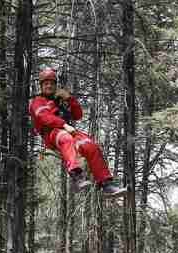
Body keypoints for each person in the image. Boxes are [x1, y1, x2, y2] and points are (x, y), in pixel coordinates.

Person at [29, 67, 126, 196]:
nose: (49, 86)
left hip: (67, 130)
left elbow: (78, 115)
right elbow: (44, 118)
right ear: (41, 86)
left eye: (52, 83)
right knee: (65, 138)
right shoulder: (37, 102)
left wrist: (69, 99)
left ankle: (106, 184)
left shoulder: (59, 101)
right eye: (46, 83)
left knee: (91, 146)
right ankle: (77, 178)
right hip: (52, 134)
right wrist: (64, 124)